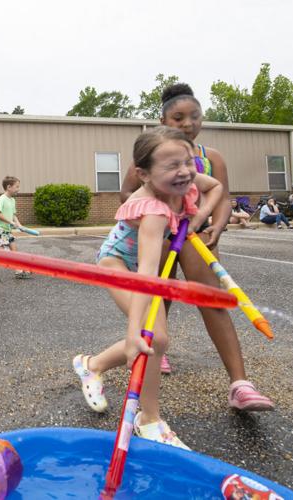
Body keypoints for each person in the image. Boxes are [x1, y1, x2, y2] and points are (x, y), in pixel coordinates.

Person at [119, 83, 274, 412]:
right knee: (159, 295)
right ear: (163, 119)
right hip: (162, 232)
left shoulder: (210, 157)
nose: (188, 123)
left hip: (198, 236)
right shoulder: (150, 154)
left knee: (211, 301)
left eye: (194, 116)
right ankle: (155, 349)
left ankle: (240, 384)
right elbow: (127, 194)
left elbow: (223, 195)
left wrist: (217, 224)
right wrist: (155, 219)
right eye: (178, 118)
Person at [73, 126, 223, 450]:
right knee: (152, 336)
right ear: (143, 174)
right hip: (118, 264)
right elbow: (145, 273)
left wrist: (196, 220)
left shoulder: (187, 181)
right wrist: (132, 333)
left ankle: (91, 365)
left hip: (144, 266)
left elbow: (217, 187)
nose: (184, 171)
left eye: (188, 162)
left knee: (155, 337)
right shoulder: (153, 211)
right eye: (172, 166)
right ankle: (149, 420)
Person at [0, 176, 31, 282]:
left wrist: (19, 224)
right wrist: (11, 222)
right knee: (0, 252)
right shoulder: (2, 199)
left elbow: (13, 214)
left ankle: (18, 271)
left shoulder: (12, 200)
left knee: (14, 250)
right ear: (9, 187)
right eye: (17, 187)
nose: (18, 189)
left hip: (7, 230)